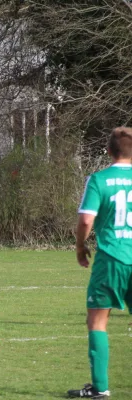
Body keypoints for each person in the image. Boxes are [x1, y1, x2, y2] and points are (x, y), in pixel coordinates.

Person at [68, 127, 132, 399]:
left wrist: (81, 247)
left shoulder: (99, 179)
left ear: (108, 151)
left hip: (111, 259)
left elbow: (85, 220)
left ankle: (100, 387)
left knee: (97, 322)